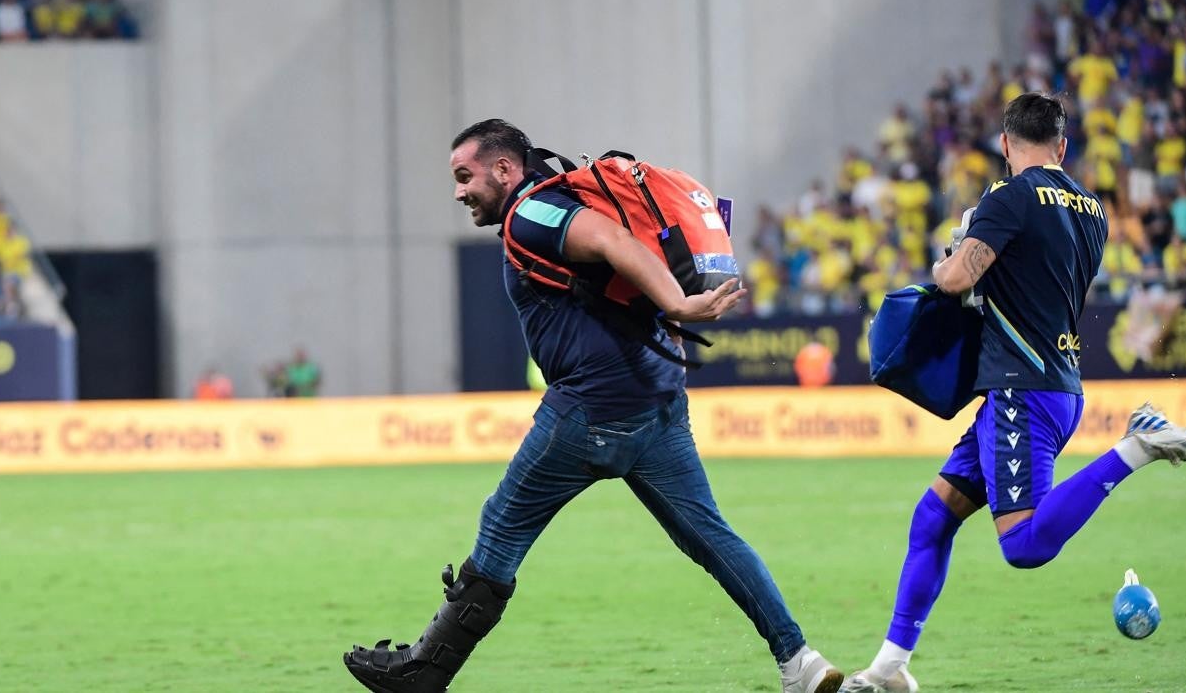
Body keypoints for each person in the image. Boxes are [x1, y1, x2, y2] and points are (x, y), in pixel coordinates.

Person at [344, 119, 844, 693]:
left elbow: (616, 243)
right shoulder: (552, 200)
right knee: (710, 536)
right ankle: (800, 662)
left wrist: (679, 304)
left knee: (501, 525)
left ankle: (425, 673)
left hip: (593, 411)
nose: (459, 192)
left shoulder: (530, 214)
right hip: (657, 401)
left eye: (466, 176)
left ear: (504, 169)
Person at [839, 93, 1186, 693]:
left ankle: (1138, 448)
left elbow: (959, 277)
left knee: (1022, 544)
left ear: (1004, 143)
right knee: (933, 518)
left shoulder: (1008, 197)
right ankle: (891, 665)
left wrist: (952, 255)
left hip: (1021, 389)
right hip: (1055, 386)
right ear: (1063, 146)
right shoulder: (1092, 210)